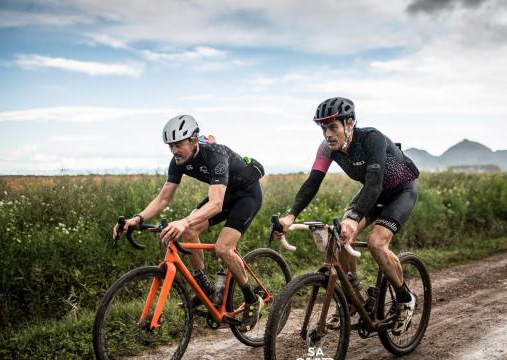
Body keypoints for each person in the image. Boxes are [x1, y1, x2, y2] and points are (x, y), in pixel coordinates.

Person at [274, 97, 420, 335]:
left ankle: (405, 299)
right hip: (373, 193)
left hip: (400, 192)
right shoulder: (327, 149)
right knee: (338, 236)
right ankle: (354, 295)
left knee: (376, 242)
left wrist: (355, 218)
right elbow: (312, 183)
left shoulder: (371, 138)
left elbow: (374, 183)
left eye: (332, 127)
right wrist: (291, 216)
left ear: (349, 123)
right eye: (323, 128)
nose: (327, 134)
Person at [112, 114, 265, 331]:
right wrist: (137, 219)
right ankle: (205, 291)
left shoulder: (216, 155)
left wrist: (184, 221)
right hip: (223, 194)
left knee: (223, 248)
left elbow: (216, 203)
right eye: (170, 146)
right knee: (190, 230)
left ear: (193, 141)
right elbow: (163, 198)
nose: (174, 150)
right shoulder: (178, 161)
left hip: (246, 195)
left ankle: (252, 300)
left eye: (178, 144)